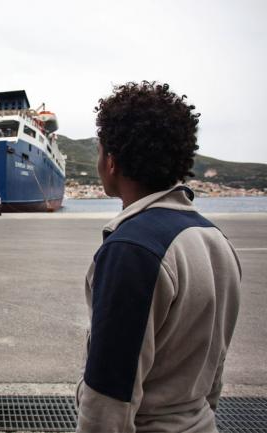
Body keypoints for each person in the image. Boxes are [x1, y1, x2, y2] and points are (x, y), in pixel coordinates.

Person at [76, 82, 241, 433]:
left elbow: (108, 396)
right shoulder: (215, 239)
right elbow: (215, 370)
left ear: (111, 162)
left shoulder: (130, 249)